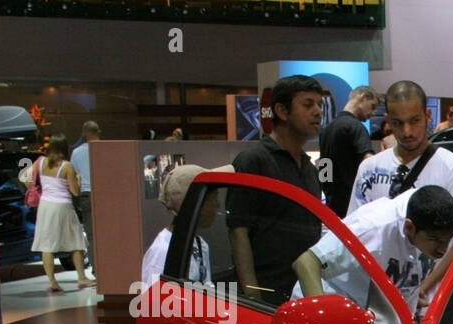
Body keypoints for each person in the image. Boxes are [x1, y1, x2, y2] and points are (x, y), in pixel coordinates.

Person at [347, 81, 453, 310]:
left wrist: (422, 287)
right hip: (377, 303)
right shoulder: (369, 169)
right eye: (398, 123)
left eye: (414, 121)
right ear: (388, 120)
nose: (407, 131)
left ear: (427, 115)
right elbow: (355, 234)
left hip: (429, 304)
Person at [226, 74, 325, 307]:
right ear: (282, 111)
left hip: (302, 293)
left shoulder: (309, 168)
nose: (318, 111)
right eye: (308, 104)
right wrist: (253, 298)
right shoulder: (253, 161)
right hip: (266, 297)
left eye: (320, 104)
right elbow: (238, 232)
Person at [293, 184, 453, 309]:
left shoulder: (450, 214)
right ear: (409, 227)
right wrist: (320, 321)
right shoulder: (372, 228)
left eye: (448, 239)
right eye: (434, 240)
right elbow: (306, 262)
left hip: (380, 318)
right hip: (330, 304)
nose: (443, 250)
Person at [140, 164, 218, 288]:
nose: (217, 206)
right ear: (193, 203)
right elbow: (154, 303)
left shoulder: (199, 244)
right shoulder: (162, 251)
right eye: (212, 200)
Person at [30, 133, 91, 293]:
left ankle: (52, 282)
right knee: (76, 242)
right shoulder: (66, 166)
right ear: (64, 148)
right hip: (63, 206)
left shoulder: (40, 161)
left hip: (45, 206)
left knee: (47, 245)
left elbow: (25, 178)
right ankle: (82, 278)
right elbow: (75, 192)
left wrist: (36, 188)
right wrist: (77, 180)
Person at [319, 84, 378, 217]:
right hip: (353, 204)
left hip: (332, 205)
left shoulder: (326, 130)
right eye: (373, 106)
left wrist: (328, 192)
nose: (373, 113)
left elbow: (324, 166)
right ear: (362, 97)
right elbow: (368, 161)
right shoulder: (356, 127)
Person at [69, 121, 100, 273]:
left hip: (87, 196)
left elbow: (74, 176)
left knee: (92, 236)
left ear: (84, 134)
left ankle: (96, 269)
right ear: (98, 131)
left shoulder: (76, 153)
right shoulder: (108, 149)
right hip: (108, 196)